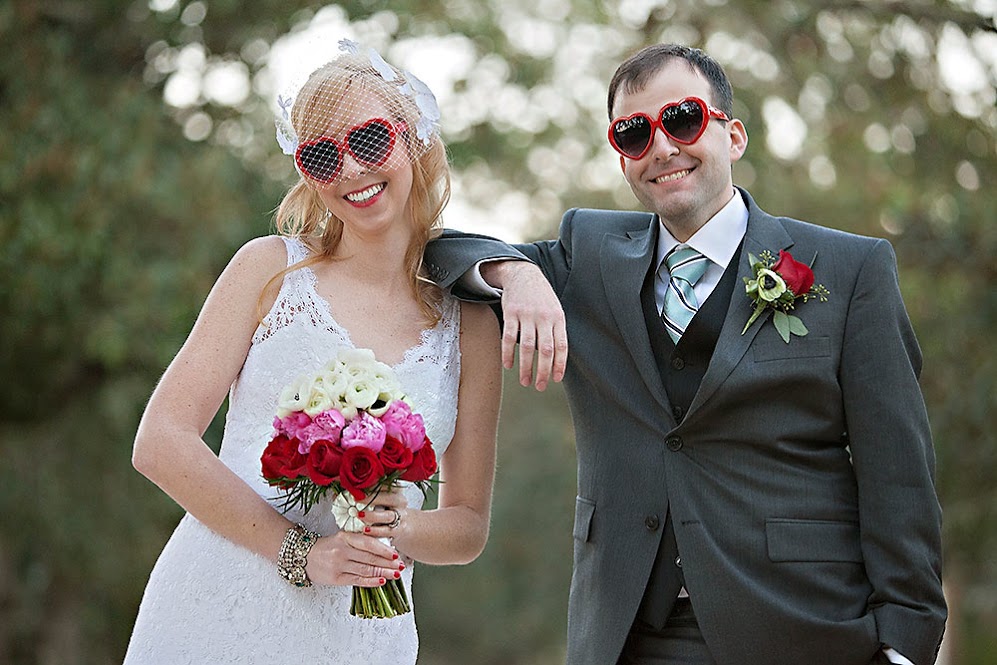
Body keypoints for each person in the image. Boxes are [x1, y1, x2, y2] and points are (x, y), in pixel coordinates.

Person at [424, 43, 946, 665]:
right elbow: (437, 251)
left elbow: (898, 470)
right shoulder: (586, 254)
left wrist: (905, 644)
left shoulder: (849, 268)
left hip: (804, 628)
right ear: (621, 158)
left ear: (734, 135)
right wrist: (517, 273)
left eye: (683, 120)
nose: (663, 148)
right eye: (634, 133)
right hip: (627, 635)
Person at [124, 41, 501, 664]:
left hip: (360, 636)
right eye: (322, 155)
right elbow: (160, 441)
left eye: (371, 141)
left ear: (415, 140)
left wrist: (388, 526)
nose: (351, 169)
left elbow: (466, 527)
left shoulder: (473, 325)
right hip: (216, 611)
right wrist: (298, 551)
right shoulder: (267, 272)